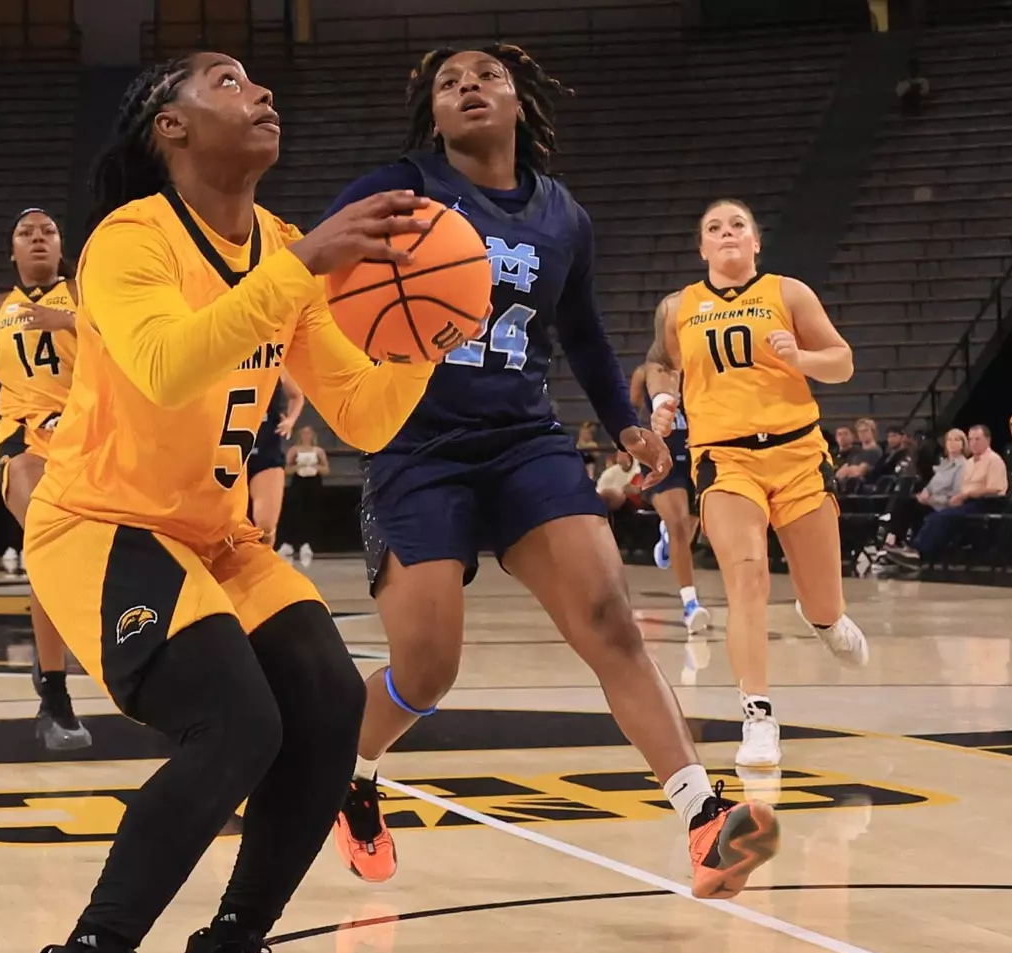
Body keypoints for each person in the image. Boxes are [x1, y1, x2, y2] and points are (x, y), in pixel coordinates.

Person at [0, 52, 440, 953]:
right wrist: (309, 266)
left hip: (215, 534)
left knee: (329, 707)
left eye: (260, 81)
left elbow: (364, 409)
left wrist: (432, 331)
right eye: (229, 81)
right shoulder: (128, 239)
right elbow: (165, 363)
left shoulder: (285, 246)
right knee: (237, 721)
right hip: (100, 522)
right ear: (174, 128)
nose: (263, 93)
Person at [328, 46, 778, 898]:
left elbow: (585, 336)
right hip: (414, 447)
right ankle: (351, 773)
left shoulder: (563, 217)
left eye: (485, 76)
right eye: (447, 81)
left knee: (608, 618)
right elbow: (309, 273)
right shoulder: (396, 187)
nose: (466, 86)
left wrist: (627, 427)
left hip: (523, 442)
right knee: (426, 668)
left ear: (519, 102)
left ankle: (706, 817)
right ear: (432, 113)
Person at [649, 197, 869, 769]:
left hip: (797, 454)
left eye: (737, 226)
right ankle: (759, 717)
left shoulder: (788, 293)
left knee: (822, 600)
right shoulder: (678, 307)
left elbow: (842, 362)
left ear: (755, 242)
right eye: (714, 228)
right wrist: (663, 398)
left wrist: (802, 358)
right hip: (725, 459)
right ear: (702, 248)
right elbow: (662, 364)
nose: (726, 234)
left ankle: (821, 617)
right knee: (746, 581)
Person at [0, 208, 94, 750]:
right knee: (45, 532)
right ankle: (55, 696)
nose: (37, 239)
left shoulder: (84, 293)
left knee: (91, 554)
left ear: (59, 245)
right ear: (12, 251)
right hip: (22, 438)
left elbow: (126, 344)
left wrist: (70, 322)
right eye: (26, 233)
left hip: (86, 438)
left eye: (47, 231)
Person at [631, 327, 708, 631]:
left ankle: (666, 540)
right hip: (663, 456)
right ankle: (691, 604)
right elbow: (631, 407)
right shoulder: (645, 372)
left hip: (697, 456)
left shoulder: (699, 369)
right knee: (678, 526)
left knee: (690, 526)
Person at [888, 423, 1006, 565]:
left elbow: (994, 489)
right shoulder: (970, 463)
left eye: (978, 439)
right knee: (912, 505)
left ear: (988, 440)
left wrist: (965, 495)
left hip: (986, 502)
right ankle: (900, 544)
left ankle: (920, 552)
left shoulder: (994, 460)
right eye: (971, 439)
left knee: (940, 516)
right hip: (966, 501)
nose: (974, 443)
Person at [248, 370, 304, 553]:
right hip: (229, 454)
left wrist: (290, 421)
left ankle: (262, 569)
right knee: (227, 526)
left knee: (265, 526)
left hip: (266, 448)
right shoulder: (222, 355)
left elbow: (296, 396)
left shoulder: (275, 363)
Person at [279, 423, 328, 564]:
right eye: (304, 433)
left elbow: (326, 469)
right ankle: (288, 543)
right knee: (295, 511)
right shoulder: (294, 450)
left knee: (310, 512)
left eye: (309, 433)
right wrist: (298, 466)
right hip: (299, 481)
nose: (306, 436)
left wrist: (316, 466)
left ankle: (306, 543)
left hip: (313, 481)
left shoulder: (318, 451)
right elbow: (286, 469)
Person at [834, 417, 884, 490]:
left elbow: (858, 473)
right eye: (860, 432)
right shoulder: (855, 452)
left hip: (863, 488)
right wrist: (850, 470)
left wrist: (848, 470)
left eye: (865, 431)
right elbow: (839, 474)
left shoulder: (875, 451)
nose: (862, 434)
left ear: (872, 432)